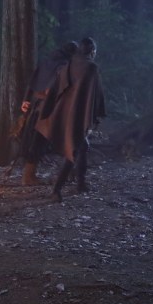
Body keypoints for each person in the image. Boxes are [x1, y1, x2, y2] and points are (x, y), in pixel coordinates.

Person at [35, 37, 106, 202]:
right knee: (72, 150)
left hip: (65, 112)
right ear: (92, 51)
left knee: (82, 146)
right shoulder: (91, 68)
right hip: (77, 114)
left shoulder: (69, 65)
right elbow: (95, 93)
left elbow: (57, 88)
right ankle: (56, 190)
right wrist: (95, 114)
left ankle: (80, 183)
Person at [19, 41, 79, 185]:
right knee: (40, 141)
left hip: (37, 106)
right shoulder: (63, 66)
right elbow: (57, 88)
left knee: (38, 141)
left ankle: (30, 175)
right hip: (49, 108)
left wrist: (26, 100)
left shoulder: (46, 63)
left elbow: (32, 83)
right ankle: (29, 177)